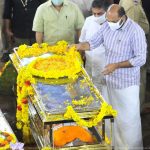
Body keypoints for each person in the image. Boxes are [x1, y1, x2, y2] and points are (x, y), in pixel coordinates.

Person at [74, 4, 146, 149]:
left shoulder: (135, 31)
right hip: (109, 80)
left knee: (127, 121)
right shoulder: (107, 25)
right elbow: (93, 43)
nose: (110, 23)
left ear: (122, 17)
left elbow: (140, 59)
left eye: (113, 21)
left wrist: (117, 65)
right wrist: (77, 46)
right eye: (108, 20)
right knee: (111, 119)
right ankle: (111, 145)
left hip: (126, 84)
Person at [119, 0, 149, 110]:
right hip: (134, 49)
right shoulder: (131, 3)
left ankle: (135, 109)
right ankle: (135, 110)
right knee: (137, 80)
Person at [79, 0, 113, 91]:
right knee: (89, 89)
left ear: (107, 11)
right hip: (89, 63)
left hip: (105, 66)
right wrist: (81, 57)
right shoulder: (89, 20)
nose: (96, 16)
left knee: (105, 93)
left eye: (99, 13)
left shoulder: (113, 25)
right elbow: (82, 40)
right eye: (94, 13)